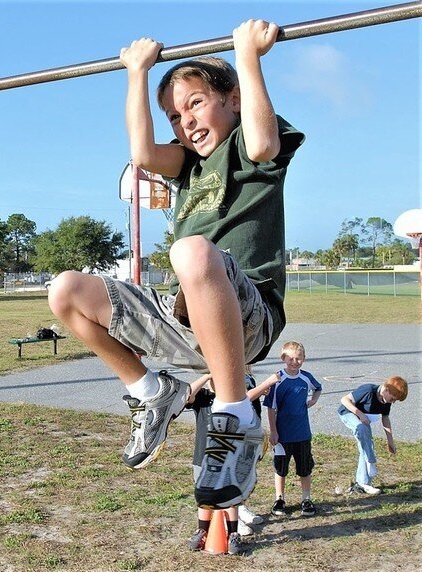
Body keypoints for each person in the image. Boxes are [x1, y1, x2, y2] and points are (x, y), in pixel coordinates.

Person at [48, 19, 304, 510]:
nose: (185, 121)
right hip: (185, 319)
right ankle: (152, 392)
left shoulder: (251, 149)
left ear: (233, 100)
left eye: (196, 103)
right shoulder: (188, 165)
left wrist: (247, 55)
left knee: (190, 250)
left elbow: (262, 142)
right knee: (65, 290)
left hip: (248, 316)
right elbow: (142, 153)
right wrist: (137, 73)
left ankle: (236, 415)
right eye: (174, 115)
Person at [185, 369, 273, 554]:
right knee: (204, 499)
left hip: (229, 459)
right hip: (203, 457)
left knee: (230, 498)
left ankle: (233, 534)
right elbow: (187, 395)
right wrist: (207, 376)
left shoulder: (233, 404)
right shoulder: (204, 397)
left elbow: (249, 402)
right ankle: (202, 531)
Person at [262, 341, 322, 517]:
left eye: (299, 358)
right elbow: (271, 408)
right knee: (281, 468)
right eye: (291, 358)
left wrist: (313, 400)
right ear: (283, 358)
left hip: (302, 433)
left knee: (305, 468)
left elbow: (318, 388)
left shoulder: (306, 378)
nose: (295, 362)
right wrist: (274, 432)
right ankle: (279, 499)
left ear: (304, 358)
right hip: (283, 435)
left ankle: (306, 498)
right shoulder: (278, 380)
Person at [338, 376, 408, 495]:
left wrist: (390, 441)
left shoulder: (385, 401)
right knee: (361, 429)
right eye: (392, 398)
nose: (393, 402)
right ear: (386, 389)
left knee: (366, 445)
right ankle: (371, 461)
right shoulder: (368, 390)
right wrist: (360, 414)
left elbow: (385, 419)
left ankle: (363, 483)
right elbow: (344, 400)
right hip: (348, 413)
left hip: (363, 420)